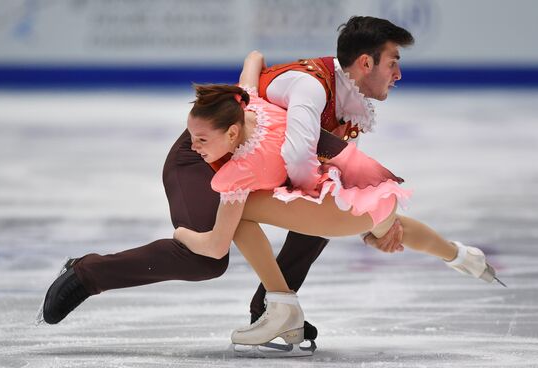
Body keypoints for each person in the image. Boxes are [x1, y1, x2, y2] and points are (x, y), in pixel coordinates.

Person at [38, 16, 415, 342]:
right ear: (366, 63)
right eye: (393, 63)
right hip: (201, 160)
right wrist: (371, 220)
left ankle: (270, 309)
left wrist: (373, 219)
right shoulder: (311, 87)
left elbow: (257, 65)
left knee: (319, 214)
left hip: (253, 163)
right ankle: (88, 273)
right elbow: (300, 160)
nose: (398, 74)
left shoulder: (348, 105)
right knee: (205, 260)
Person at [173, 63, 499, 348]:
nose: (194, 147)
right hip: (371, 186)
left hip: (343, 210)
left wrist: (183, 235)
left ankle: (282, 304)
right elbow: (253, 60)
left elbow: (216, 247)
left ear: (232, 133)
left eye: (201, 139)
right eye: (192, 138)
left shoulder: (236, 174)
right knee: (390, 223)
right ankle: (460, 255)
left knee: (237, 213)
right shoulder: (256, 106)